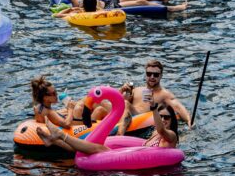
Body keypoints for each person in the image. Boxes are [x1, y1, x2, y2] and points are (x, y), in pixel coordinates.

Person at [37, 99, 180, 156]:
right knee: (92, 146)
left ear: (172, 119)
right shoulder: (156, 132)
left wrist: (154, 108)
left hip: (145, 158)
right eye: (160, 117)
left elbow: (162, 130)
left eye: (166, 117)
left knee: (98, 149)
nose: (162, 120)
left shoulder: (171, 135)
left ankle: (60, 136)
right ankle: (54, 140)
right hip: (138, 151)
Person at [131, 58, 192, 126]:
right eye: (149, 74)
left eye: (156, 74)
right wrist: (122, 91)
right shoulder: (136, 90)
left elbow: (179, 108)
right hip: (129, 117)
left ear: (161, 76)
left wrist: (189, 120)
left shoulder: (164, 94)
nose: (152, 77)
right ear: (145, 75)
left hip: (142, 122)